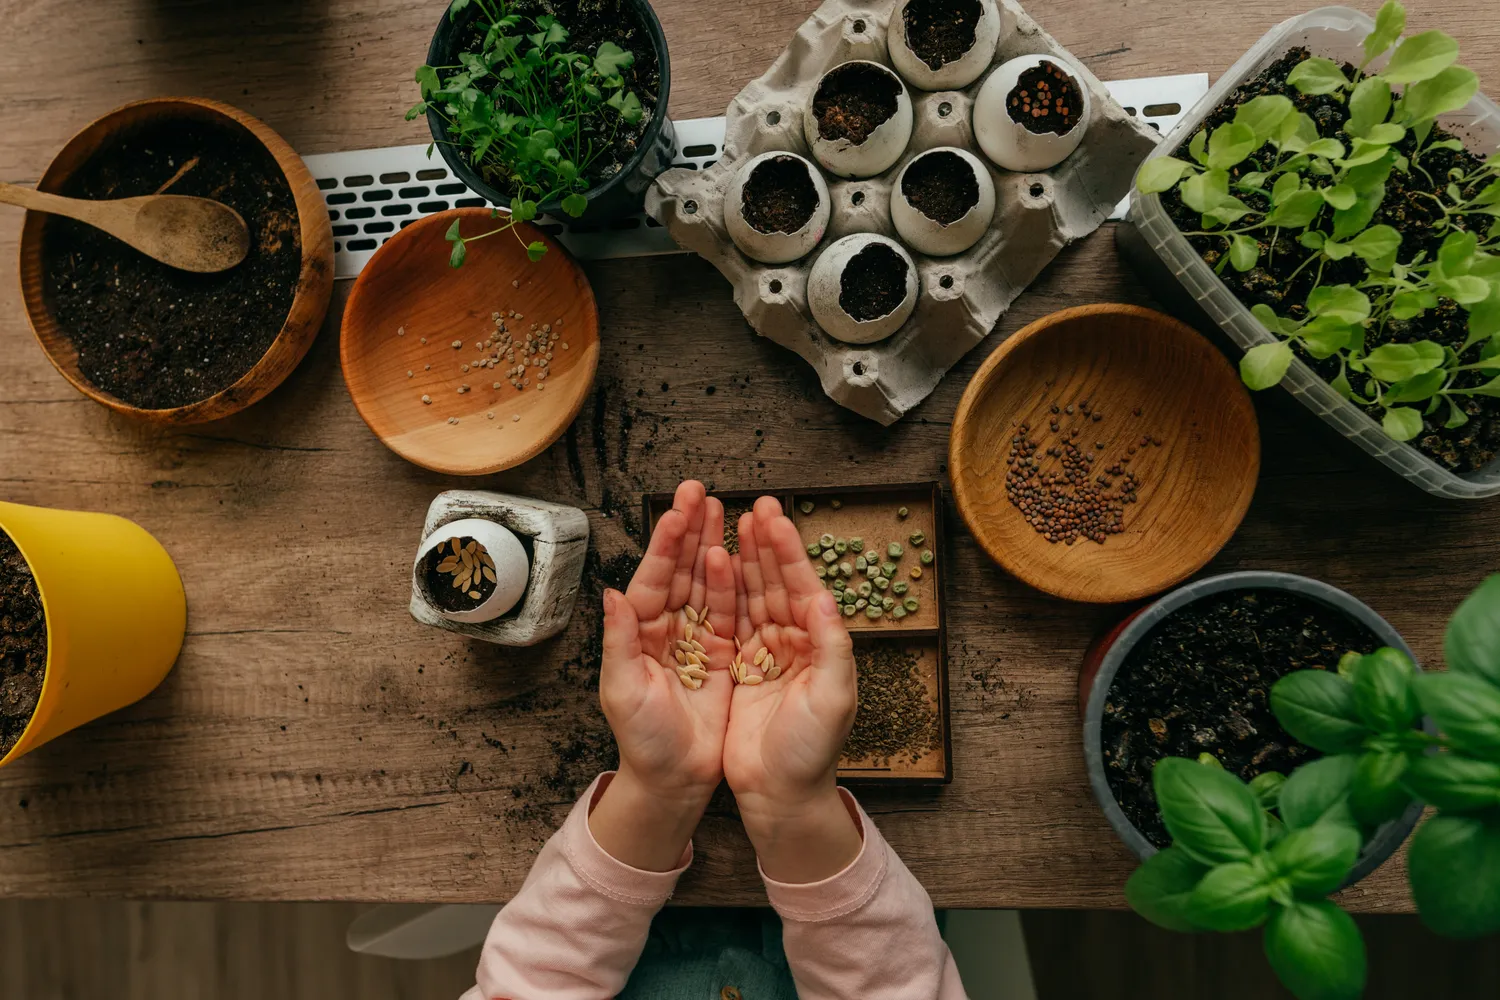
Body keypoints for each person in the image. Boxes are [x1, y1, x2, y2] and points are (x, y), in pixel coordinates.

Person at [461, 481, 968, 1000]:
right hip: (863, 909)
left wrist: (655, 791)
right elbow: (899, 987)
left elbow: (531, 981)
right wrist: (795, 808)